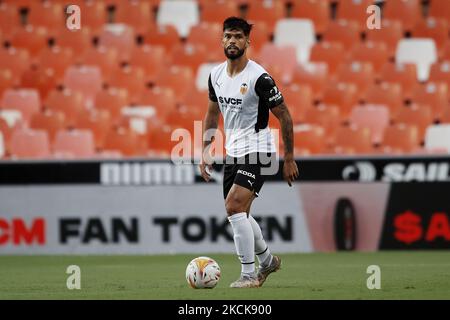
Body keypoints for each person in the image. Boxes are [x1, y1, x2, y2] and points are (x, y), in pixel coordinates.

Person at [199, 17, 299, 288]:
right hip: (233, 152)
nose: (232, 41)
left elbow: (285, 117)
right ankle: (267, 262)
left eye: (238, 37)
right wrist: (206, 150)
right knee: (240, 213)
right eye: (228, 36)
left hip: (259, 150)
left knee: (233, 207)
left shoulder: (259, 78)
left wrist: (288, 158)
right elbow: (211, 113)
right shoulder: (216, 75)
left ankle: (248, 274)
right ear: (222, 40)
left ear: (247, 42)